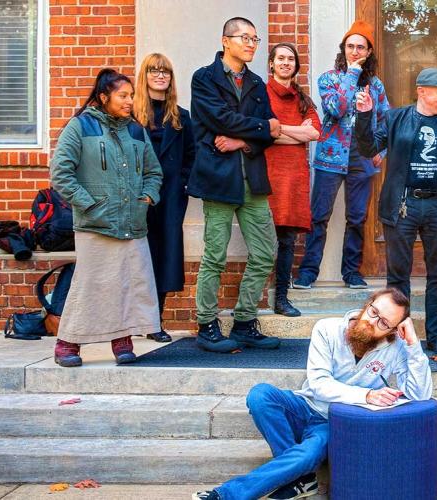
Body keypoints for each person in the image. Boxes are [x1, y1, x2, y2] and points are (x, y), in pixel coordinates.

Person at [191, 288, 433, 500]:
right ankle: (299, 478)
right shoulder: (327, 328)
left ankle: (226, 495)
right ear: (367, 305)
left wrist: (413, 346)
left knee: (309, 452)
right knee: (260, 395)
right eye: (373, 311)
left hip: (336, 421)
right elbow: (319, 384)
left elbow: (420, 396)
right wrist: (367, 395)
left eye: (383, 323)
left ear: (392, 331)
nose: (373, 321)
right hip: (304, 405)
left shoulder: (395, 347)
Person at [353, 67, 437, 356]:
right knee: (398, 276)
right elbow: (368, 147)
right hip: (403, 204)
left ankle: (436, 336)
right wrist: (364, 114)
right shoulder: (396, 118)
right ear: (421, 91)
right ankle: (398, 334)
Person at [48, 69, 163, 367]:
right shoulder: (80, 126)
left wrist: (147, 198)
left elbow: (153, 172)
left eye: (132, 96)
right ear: (104, 97)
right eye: (123, 96)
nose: (129, 101)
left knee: (127, 284)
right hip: (95, 224)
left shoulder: (136, 130)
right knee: (90, 285)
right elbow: (61, 174)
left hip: (132, 222)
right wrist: (90, 204)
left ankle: (122, 340)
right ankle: (67, 344)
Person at [187, 17, 284, 353]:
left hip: (252, 179)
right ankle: (206, 325)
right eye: (245, 37)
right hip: (219, 178)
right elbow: (218, 119)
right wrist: (260, 128)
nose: (251, 44)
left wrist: (242, 142)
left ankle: (244, 322)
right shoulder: (204, 78)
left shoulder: (257, 83)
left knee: (264, 251)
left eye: (255, 39)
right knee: (215, 255)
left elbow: (270, 134)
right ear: (225, 40)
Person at [293, 20, 390, 290]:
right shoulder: (329, 79)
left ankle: (351, 273)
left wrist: (380, 149)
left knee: (357, 218)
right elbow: (336, 108)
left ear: (369, 51)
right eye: (350, 46)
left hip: (362, 159)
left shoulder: (376, 86)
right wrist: (351, 75)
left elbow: (385, 119)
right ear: (343, 49)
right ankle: (308, 272)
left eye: (361, 47)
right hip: (330, 158)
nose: (355, 51)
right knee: (319, 216)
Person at [133, 53, 195, 344]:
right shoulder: (131, 116)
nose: (161, 76)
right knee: (135, 258)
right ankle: (130, 321)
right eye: (155, 71)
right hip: (135, 198)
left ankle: (155, 321)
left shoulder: (181, 117)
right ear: (144, 76)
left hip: (169, 198)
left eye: (166, 72)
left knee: (163, 257)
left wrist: (181, 184)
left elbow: (192, 157)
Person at [265, 42, 322, 318]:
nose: (286, 63)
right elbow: (262, 132)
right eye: (281, 58)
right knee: (263, 240)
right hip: (268, 174)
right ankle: (256, 298)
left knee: (287, 240)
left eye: (291, 59)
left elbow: (314, 133)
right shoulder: (261, 93)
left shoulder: (302, 99)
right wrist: (293, 131)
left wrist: (280, 130)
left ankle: (282, 298)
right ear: (272, 63)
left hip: (294, 177)